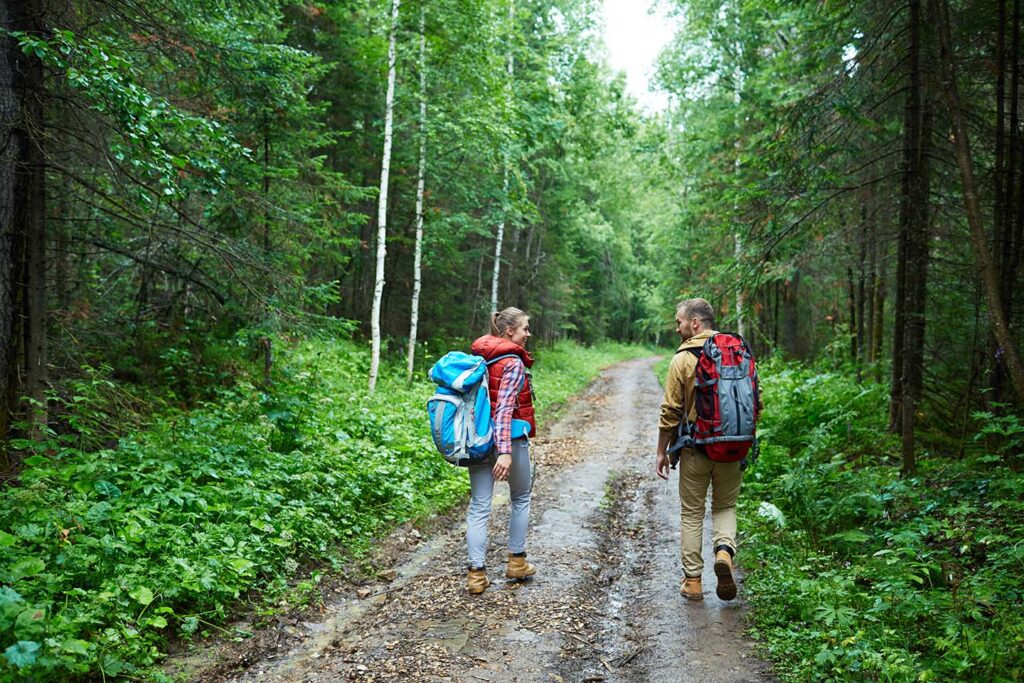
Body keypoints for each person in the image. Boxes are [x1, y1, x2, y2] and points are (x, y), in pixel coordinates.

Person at [655, 298, 742, 602]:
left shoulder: (683, 358)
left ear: (694, 323)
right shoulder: (735, 352)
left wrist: (661, 450)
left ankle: (693, 582)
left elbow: (670, 410)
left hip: (695, 449)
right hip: (732, 447)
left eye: (678, 321)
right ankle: (724, 552)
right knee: (725, 507)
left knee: (692, 513)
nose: (676, 327)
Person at [464, 307, 538, 594]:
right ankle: (516, 562)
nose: (527, 334)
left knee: (480, 506)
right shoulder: (512, 362)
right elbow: (505, 409)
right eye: (524, 329)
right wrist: (505, 451)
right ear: (509, 331)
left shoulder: (478, 355)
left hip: (478, 440)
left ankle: (476, 575)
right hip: (509, 442)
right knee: (520, 497)